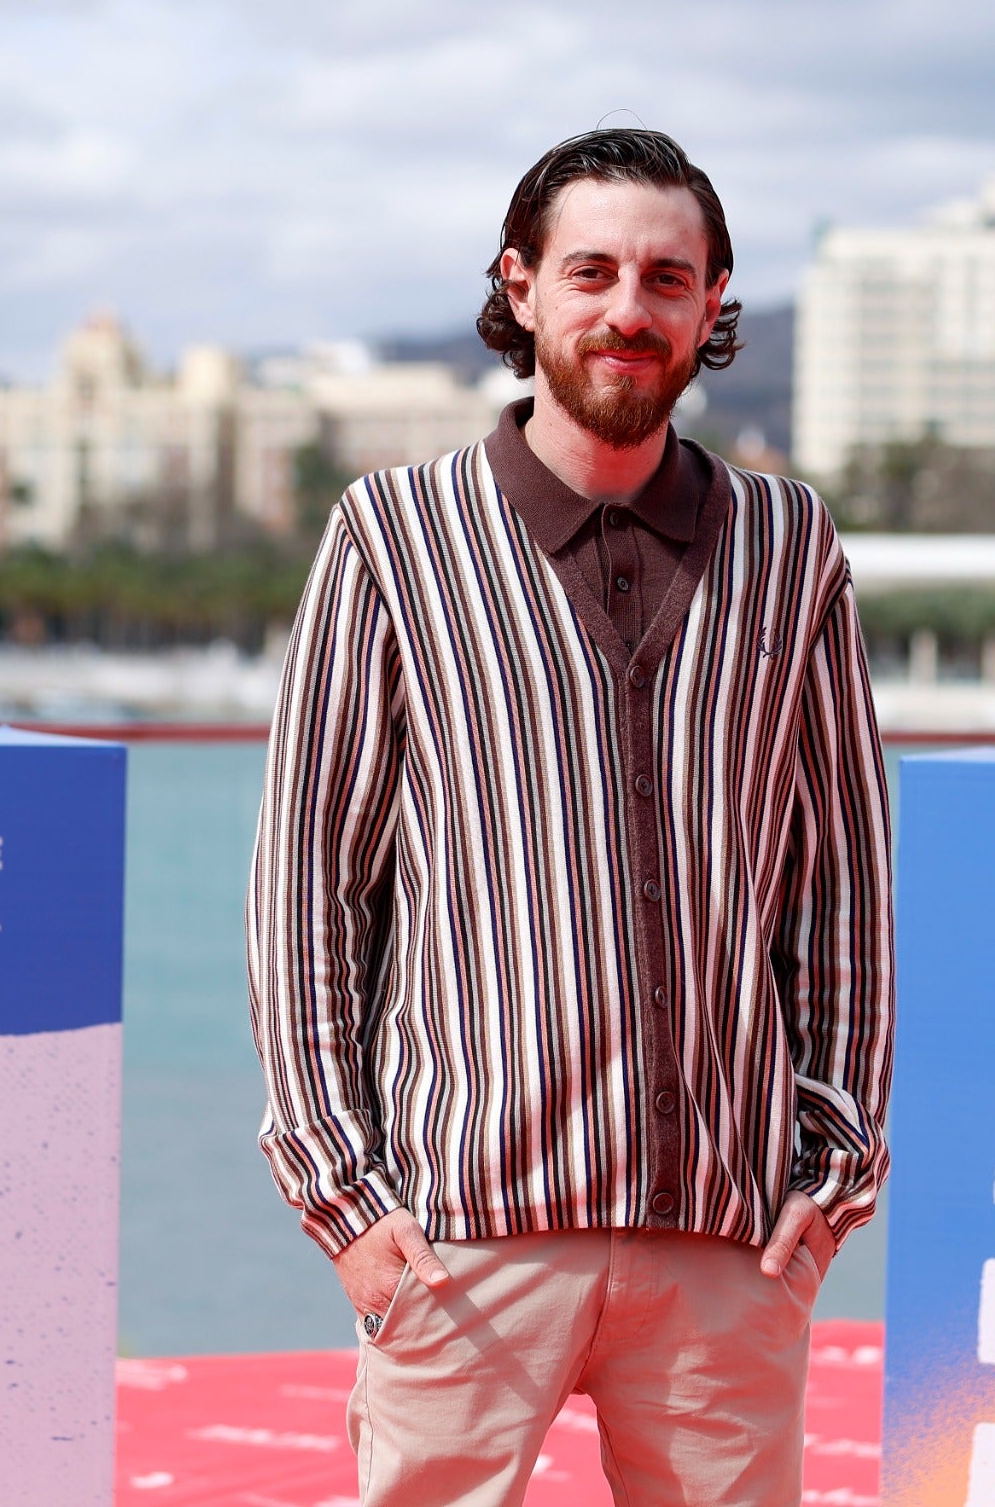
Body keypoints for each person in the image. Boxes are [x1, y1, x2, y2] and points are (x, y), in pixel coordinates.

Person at [248, 127, 894, 1505]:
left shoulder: (792, 550)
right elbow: (311, 885)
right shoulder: (395, 538)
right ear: (522, 287)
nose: (628, 310)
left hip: (727, 1245)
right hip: (464, 1243)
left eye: (669, 278)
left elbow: (841, 879)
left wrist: (830, 1172)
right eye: (591, 270)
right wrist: (344, 1201)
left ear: (715, 302)